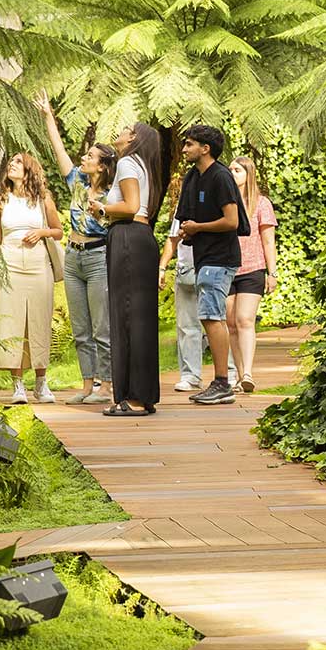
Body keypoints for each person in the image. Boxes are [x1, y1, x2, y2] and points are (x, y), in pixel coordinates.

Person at [38, 97, 113, 405]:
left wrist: (102, 213)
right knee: (80, 327)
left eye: (90, 156)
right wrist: (48, 117)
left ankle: (106, 386)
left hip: (98, 258)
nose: (84, 157)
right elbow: (59, 152)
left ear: (103, 165)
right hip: (73, 257)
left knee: (101, 327)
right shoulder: (78, 184)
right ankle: (87, 385)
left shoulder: (113, 193)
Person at [174, 124, 247, 406]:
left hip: (220, 258)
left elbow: (232, 221)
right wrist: (187, 230)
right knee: (208, 317)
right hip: (202, 257)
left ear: (205, 149)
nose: (184, 149)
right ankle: (219, 382)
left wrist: (199, 227)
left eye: (189, 144)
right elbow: (186, 218)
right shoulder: (193, 177)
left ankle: (222, 383)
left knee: (211, 317)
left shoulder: (221, 177)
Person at [97, 122, 166, 416]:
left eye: (125, 128)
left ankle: (134, 399)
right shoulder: (142, 164)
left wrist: (100, 208)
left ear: (134, 138)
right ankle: (143, 395)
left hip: (127, 237)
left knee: (127, 317)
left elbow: (131, 206)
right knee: (140, 319)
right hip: (141, 239)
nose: (119, 131)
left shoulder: (126, 162)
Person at [0, 152, 64, 404]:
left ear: (29, 169)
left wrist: (40, 231)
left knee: (39, 320)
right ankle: (17, 385)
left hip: (38, 265)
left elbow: (58, 232)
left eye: (18, 162)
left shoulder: (43, 199)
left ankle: (41, 383)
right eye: (11, 162)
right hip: (8, 265)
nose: (12, 165)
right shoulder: (0, 200)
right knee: (11, 322)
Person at [228, 155, 278, 393]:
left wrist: (272, 272)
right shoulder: (224, 203)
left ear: (249, 174)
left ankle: (248, 372)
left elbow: (269, 241)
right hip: (226, 268)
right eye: (230, 170)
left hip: (252, 268)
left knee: (245, 320)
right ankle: (239, 376)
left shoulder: (262, 203)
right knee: (231, 323)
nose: (232, 173)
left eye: (237, 170)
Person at [158, 200, 205, 392]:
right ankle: (190, 375)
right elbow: (173, 238)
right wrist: (162, 267)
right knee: (187, 326)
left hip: (212, 267)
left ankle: (229, 374)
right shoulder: (183, 205)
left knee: (218, 323)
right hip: (185, 270)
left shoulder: (218, 196)